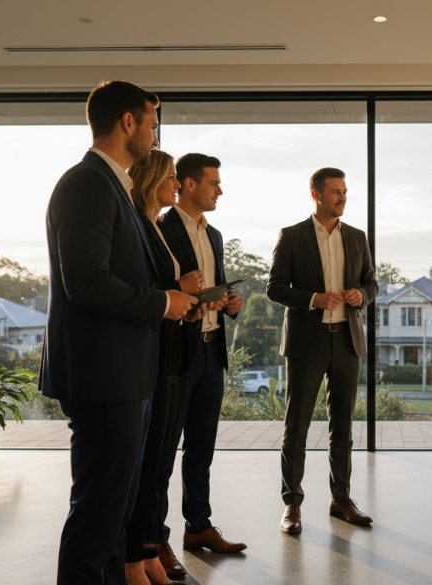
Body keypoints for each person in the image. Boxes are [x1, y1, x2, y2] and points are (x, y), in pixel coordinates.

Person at [40, 81, 196, 585]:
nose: (156, 136)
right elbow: (86, 282)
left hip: (125, 375)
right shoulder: (87, 183)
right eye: (152, 123)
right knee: (98, 516)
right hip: (103, 376)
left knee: (114, 519)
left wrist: (168, 300)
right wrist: (163, 302)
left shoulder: (115, 187)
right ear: (128, 122)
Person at [267, 167, 379, 534]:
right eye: (335, 192)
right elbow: (274, 288)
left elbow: (372, 284)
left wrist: (361, 295)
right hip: (306, 343)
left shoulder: (357, 237)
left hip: (347, 340)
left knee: (343, 426)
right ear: (316, 195)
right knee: (296, 425)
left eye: (344, 191)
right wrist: (314, 299)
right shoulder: (292, 236)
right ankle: (292, 504)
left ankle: (341, 499)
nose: (342, 198)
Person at [158, 153, 247, 556]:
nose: (220, 191)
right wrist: (183, 289)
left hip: (212, 352)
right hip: (177, 353)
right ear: (189, 184)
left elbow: (216, 285)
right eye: (214, 183)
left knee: (201, 449)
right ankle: (154, 539)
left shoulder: (215, 236)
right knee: (162, 451)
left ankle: (198, 527)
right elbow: (159, 288)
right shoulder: (161, 228)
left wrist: (230, 302)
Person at [124, 150, 202, 585]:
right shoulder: (141, 225)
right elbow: (144, 290)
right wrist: (178, 288)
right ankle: (134, 561)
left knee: (157, 467)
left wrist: (189, 304)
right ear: (153, 179)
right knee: (146, 468)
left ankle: (149, 553)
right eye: (171, 177)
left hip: (172, 353)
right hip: (151, 358)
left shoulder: (154, 225)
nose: (176, 183)